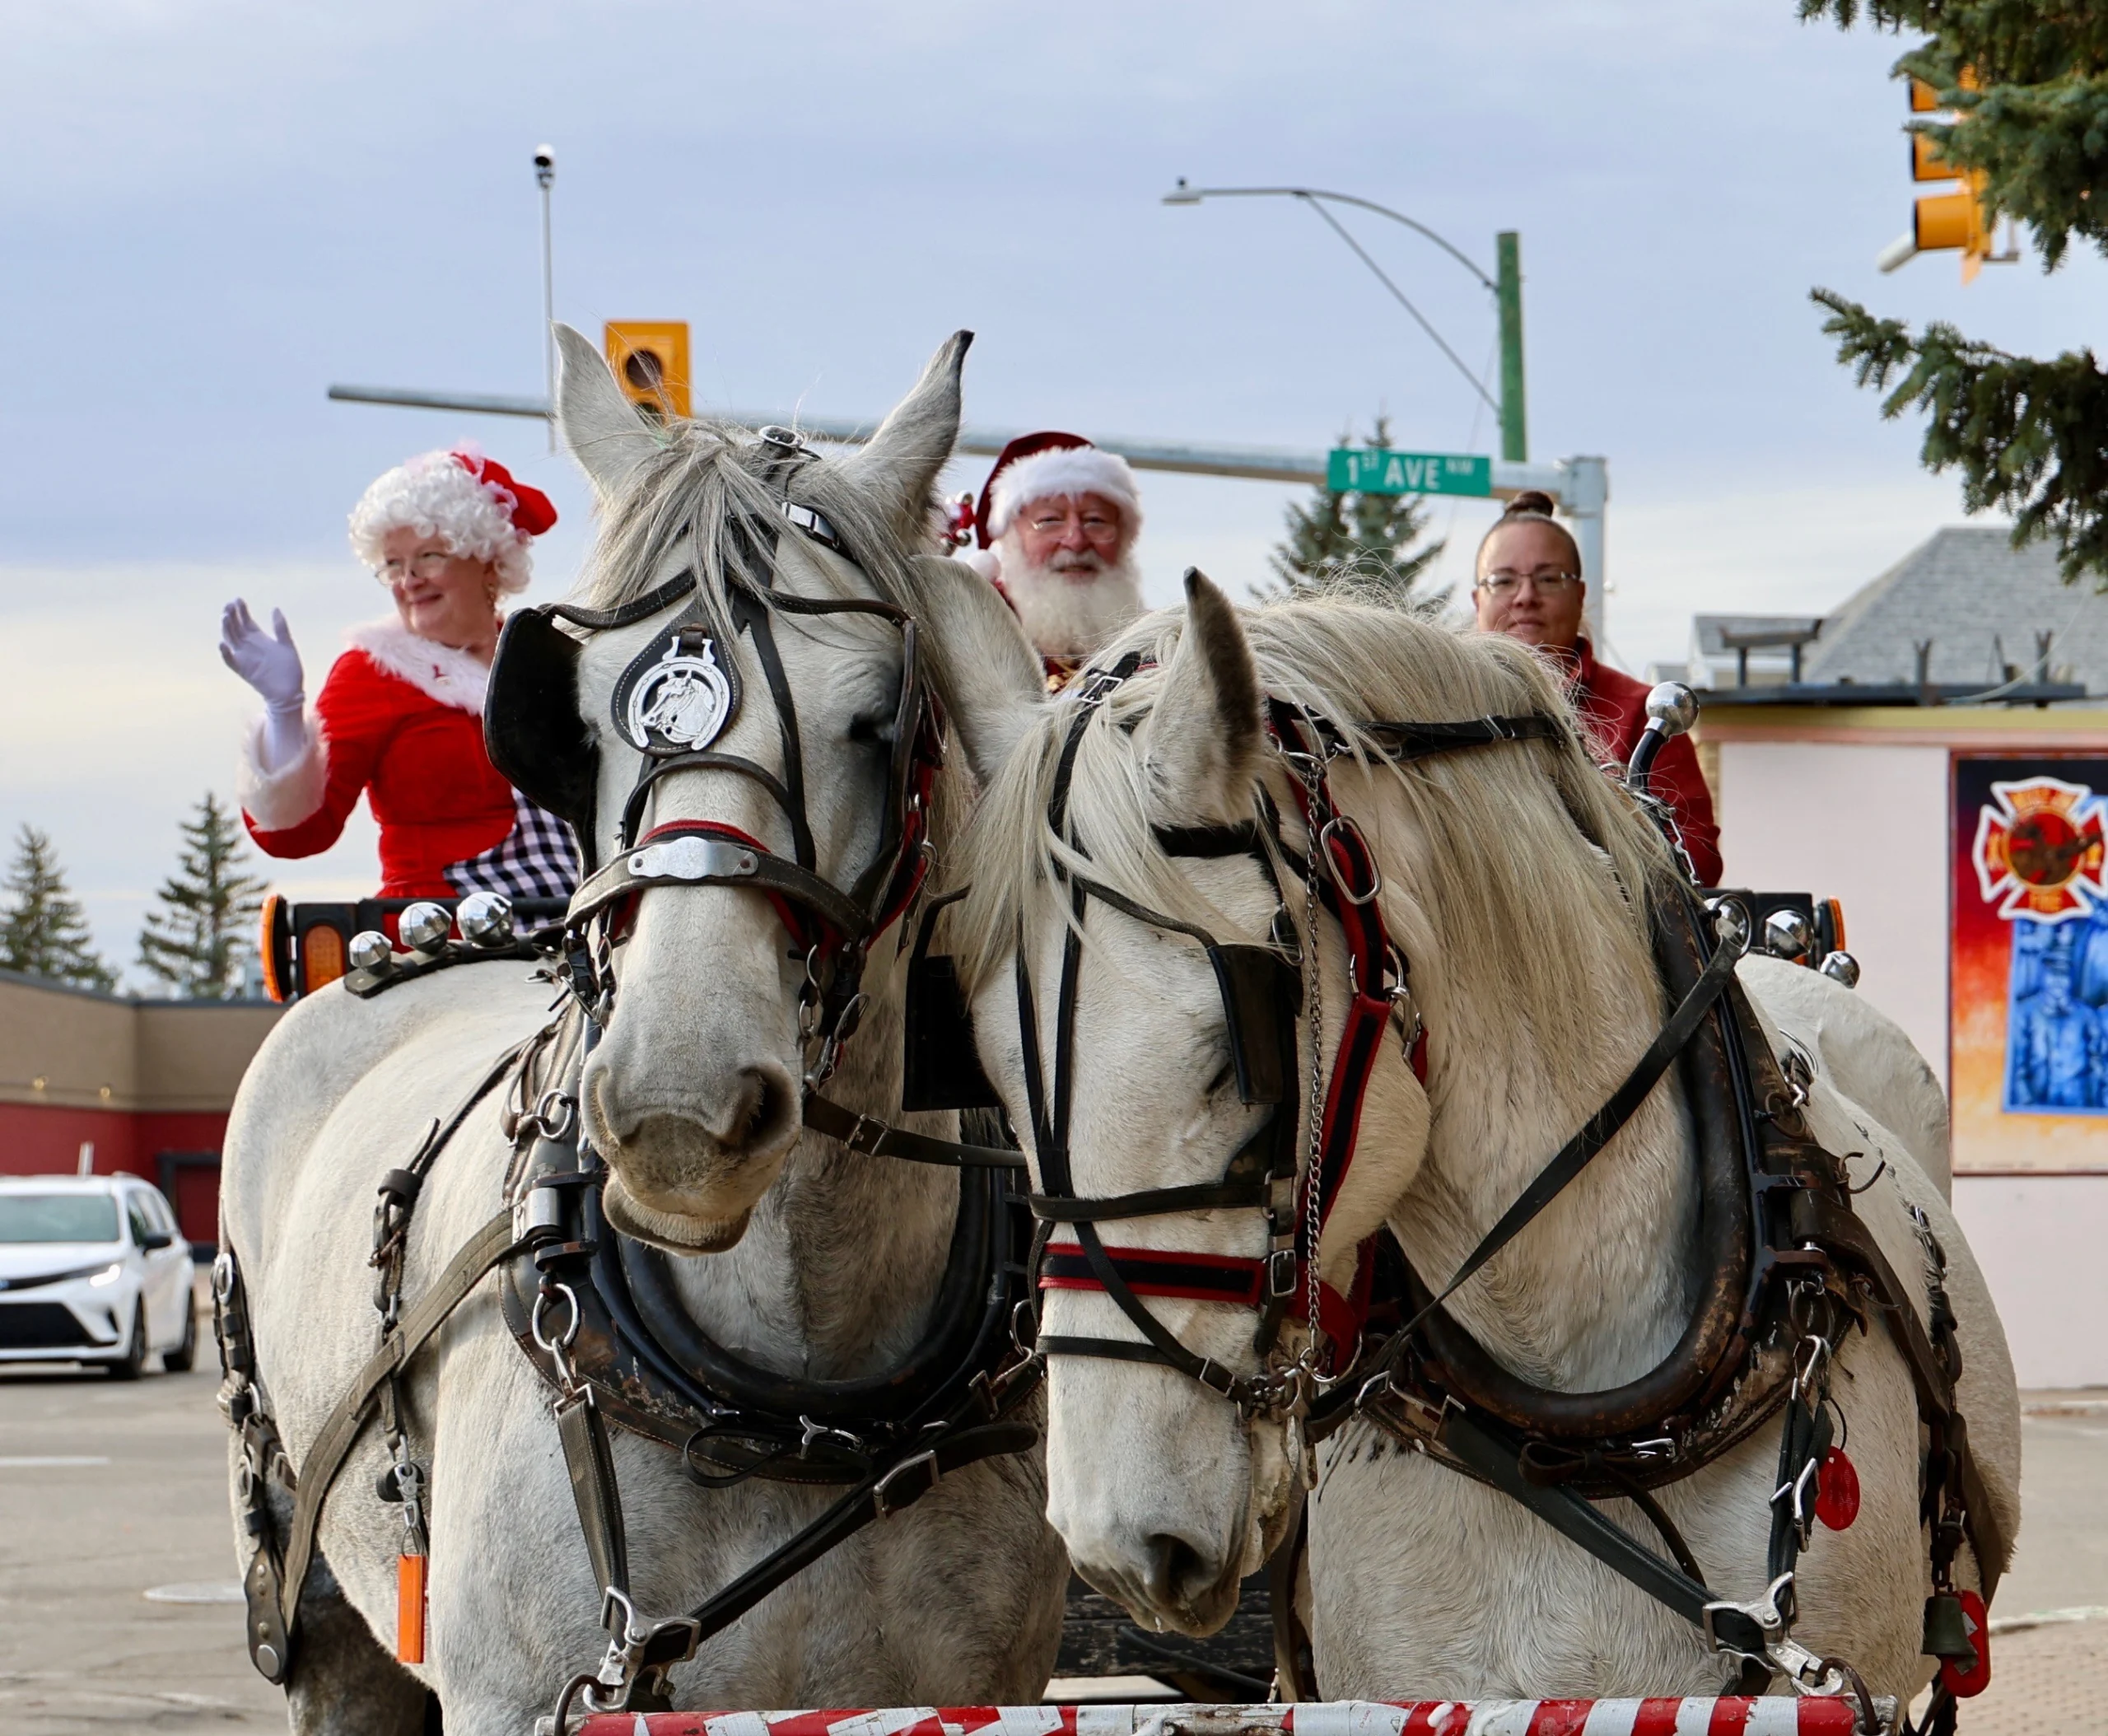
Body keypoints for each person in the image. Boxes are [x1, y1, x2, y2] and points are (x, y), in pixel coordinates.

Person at [220, 447, 579, 901]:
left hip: (585, 923)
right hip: (446, 934)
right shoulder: (373, 671)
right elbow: (297, 834)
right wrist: (284, 712)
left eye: (429, 556)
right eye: (393, 564)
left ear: (487, 560)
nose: (409, 580)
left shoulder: (547, 657)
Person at [1473, 492, 1724, 884]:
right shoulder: (1435, 713)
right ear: (1477, 601)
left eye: (1547, 579)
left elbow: (1697, 863)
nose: (1525, 597)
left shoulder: (1645, 717)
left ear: (1580, 596)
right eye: (1503, 580)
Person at [958, 432, 1145, 690]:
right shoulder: (961, 642)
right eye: (1050, 521)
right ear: (1008, 540)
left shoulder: (1158, 650)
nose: (1077, 540)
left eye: (1096, 520)